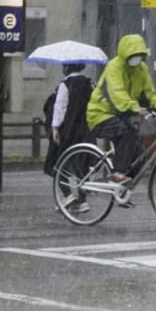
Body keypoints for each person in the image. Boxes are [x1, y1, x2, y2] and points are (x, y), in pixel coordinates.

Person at [85, 34, 156, 186]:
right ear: (125, 54)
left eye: (140, 55)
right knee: (127, 133)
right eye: (133, 55)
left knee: (141, 157)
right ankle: (117, 174)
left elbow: (150, 93)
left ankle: (123, 190)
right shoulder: (114, 67)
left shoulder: (142, 69)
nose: (137, 58)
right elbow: (117, 94)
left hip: (120, 115)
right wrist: (135, 108)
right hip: (101, 114)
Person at [43, 63, 95, 212]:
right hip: (85, 130)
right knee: (82, 166)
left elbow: (60, 107)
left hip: (69, 130)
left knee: (59, 163)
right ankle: (83, 201)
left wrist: (55, 128)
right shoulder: (89, 83)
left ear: (66, 68)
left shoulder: (65, 85)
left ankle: (67, 195)